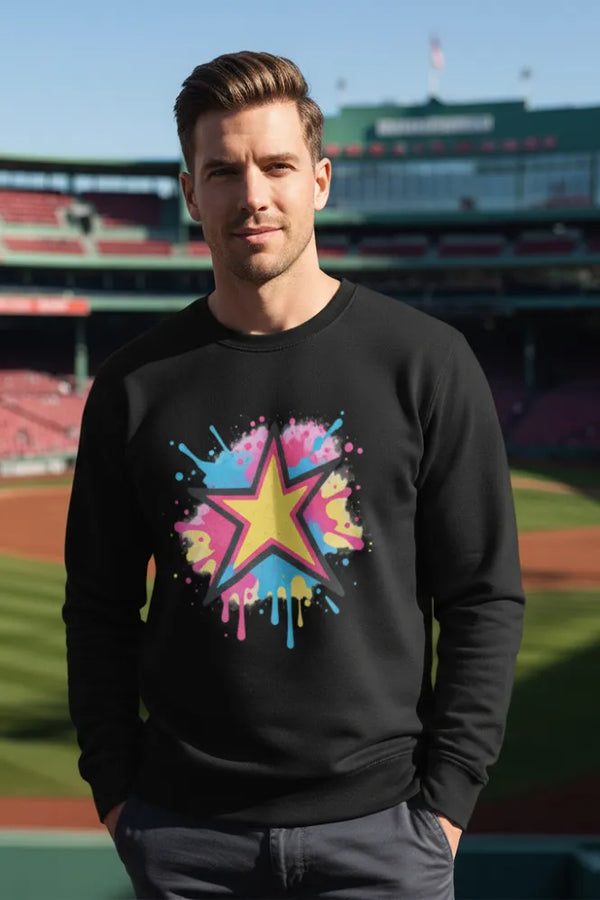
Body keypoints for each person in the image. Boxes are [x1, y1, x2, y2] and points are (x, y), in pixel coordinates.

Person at [63, 51, 525, 900]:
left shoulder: (426, 364)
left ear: (319, 178)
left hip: (386, 840)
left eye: (276, 166)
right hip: (183, 841)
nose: (253, 195)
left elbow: (483, 596)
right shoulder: (134, 385)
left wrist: (446, 806)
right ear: (191, 192)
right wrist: (119, 796)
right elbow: (96, 605)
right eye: (223, 171)